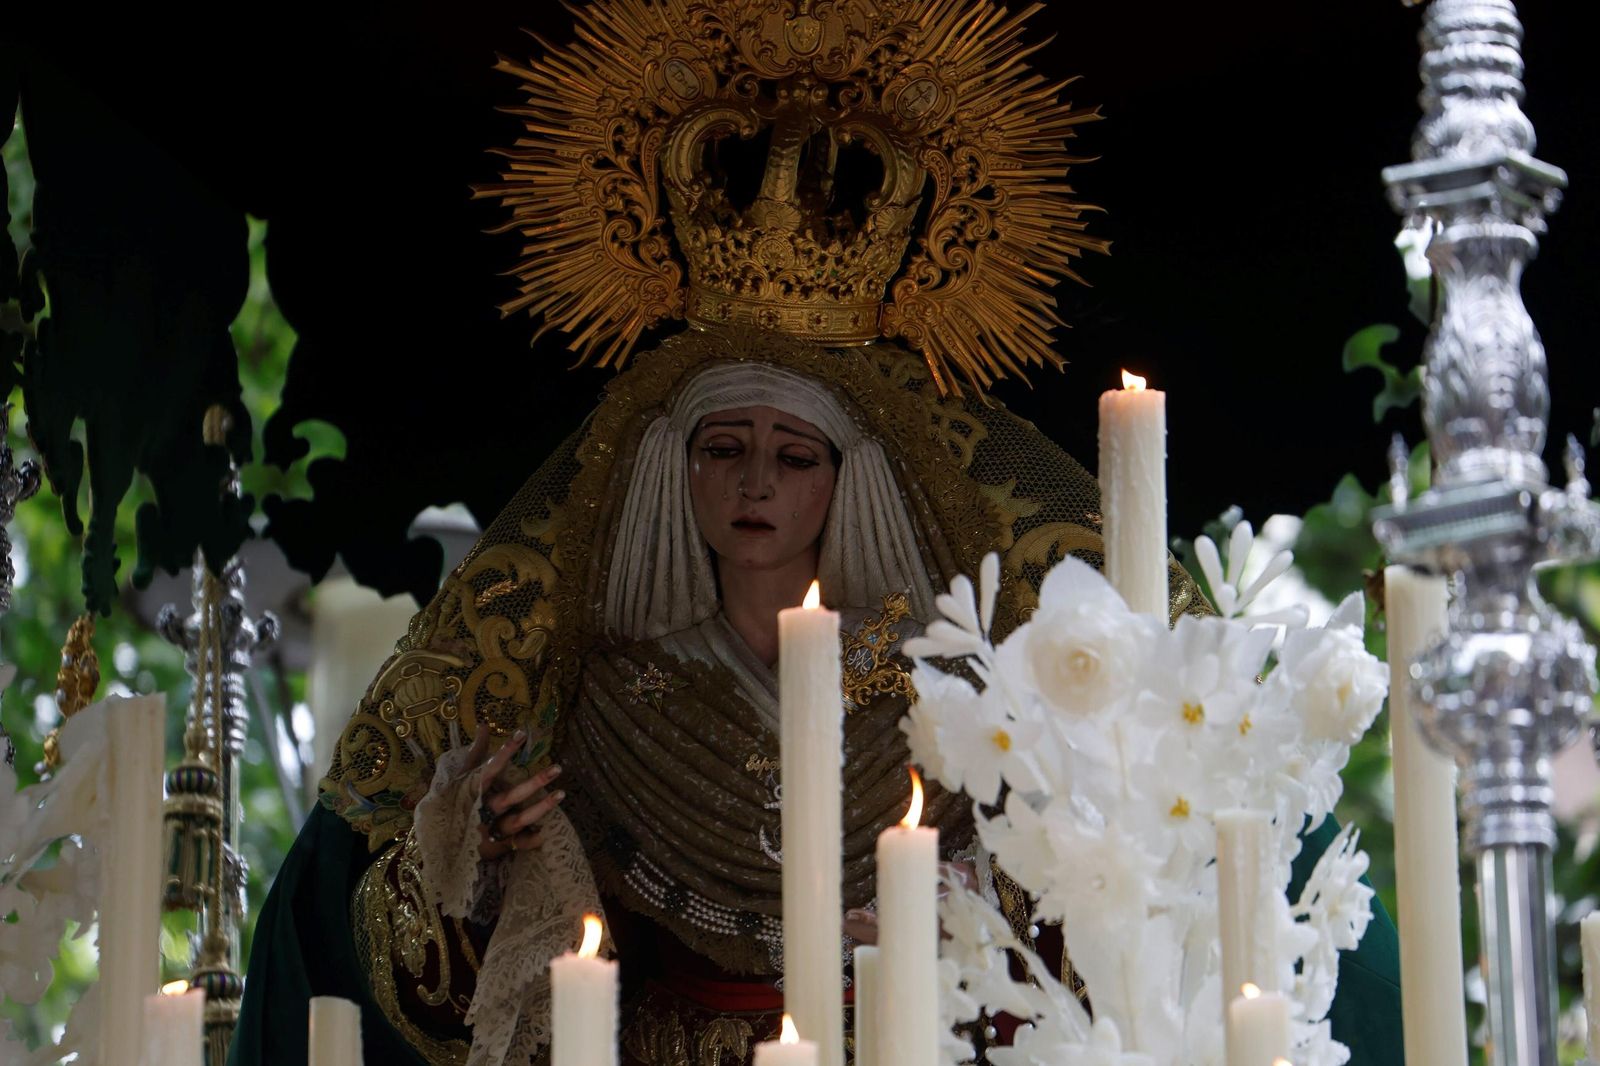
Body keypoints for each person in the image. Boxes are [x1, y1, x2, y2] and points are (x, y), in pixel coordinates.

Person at [233, 3, 1401, 1062]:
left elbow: (1092, 914)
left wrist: (951, 915)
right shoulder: (612, 692)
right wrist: (476, 856)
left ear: (849, 483)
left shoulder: (947, 694)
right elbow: (460, 974)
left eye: (794, 457)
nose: (755, 483)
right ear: (668, 474)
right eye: (719, 449)